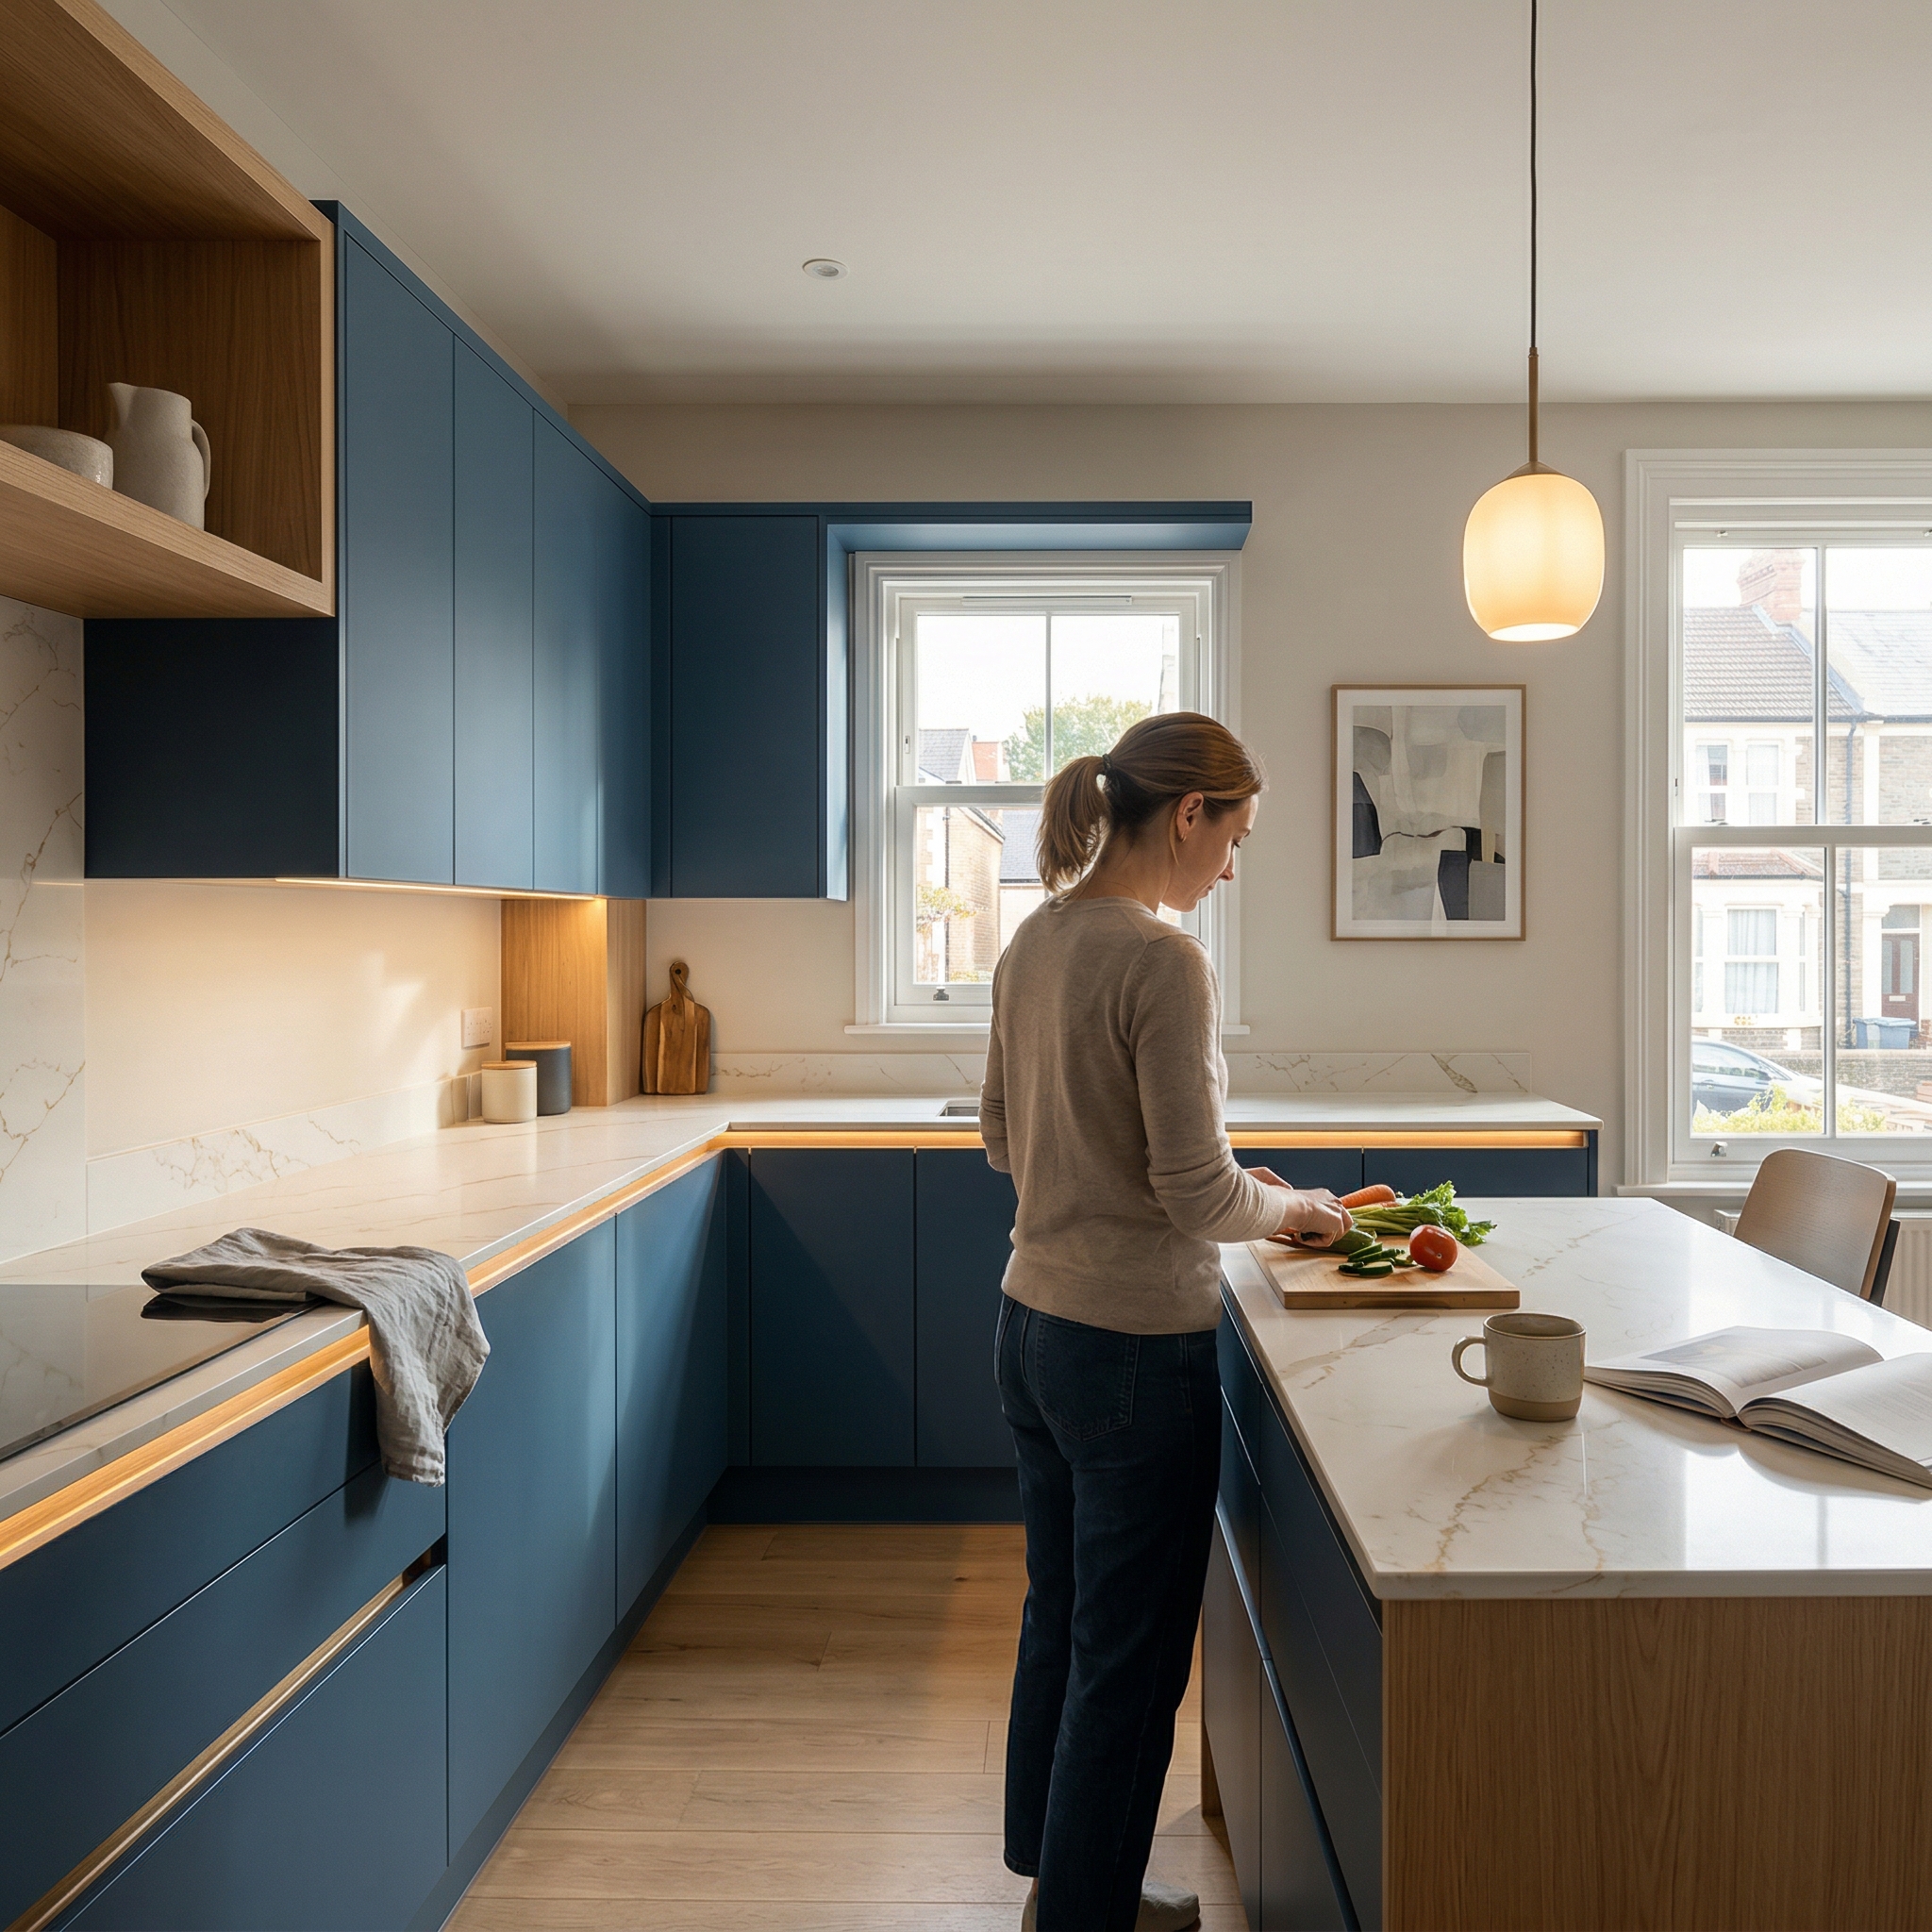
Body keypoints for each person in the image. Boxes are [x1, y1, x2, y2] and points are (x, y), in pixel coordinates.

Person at [981, 712, 1350, 1932]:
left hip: (1029, 1327)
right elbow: (1197, 1193)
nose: (1231, 868)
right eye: (1234, 836)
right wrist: (1299, 1213)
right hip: (1136, 1353)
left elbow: (997, 1137)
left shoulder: (1034, 939)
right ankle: (1084, 1915)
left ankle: (1058, 1875)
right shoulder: (1161, 960)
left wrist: (1098, 1173)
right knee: (1130, 1656)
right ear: (1187, 816)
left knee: (1062, 1612)